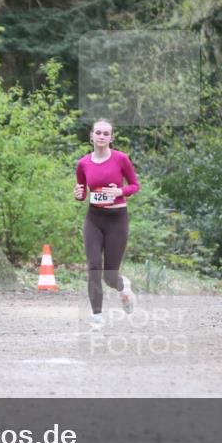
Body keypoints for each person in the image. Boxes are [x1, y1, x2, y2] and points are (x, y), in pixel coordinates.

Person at [73, 119, 139, 327]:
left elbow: (135, 185)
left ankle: (123, 286)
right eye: (98, 133)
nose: (101, 136)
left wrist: (120, 191)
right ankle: (97, 317)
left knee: (110, 276)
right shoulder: (83, 163)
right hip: (94, 219)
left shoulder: (121, 159)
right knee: (93, 266)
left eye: (106, 133)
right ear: (91, 136)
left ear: (111, 138)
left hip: (117, 220)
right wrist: (78, 194)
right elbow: (82, 192)